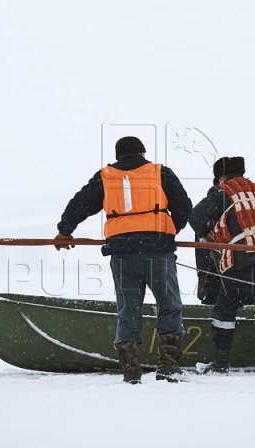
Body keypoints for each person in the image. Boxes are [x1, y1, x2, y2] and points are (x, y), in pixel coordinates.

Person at [53, 136, 192, 384]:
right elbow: (184, 207)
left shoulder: (105, 177)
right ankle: (168, 366)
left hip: (123, 253)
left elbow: (80, 204)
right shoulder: (160, 172)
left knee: (128, 310)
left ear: (118, 156)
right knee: (169, 304)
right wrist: (168, 230)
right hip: (158, 251)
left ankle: (131, 370)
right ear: (142, 153)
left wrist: (65, 231)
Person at [188, 156, 255, 374]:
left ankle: (221, 362)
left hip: (244, 255)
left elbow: (196, 218)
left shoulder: (222, 191)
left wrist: (210, 237)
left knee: (225, 308)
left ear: (221, 177)